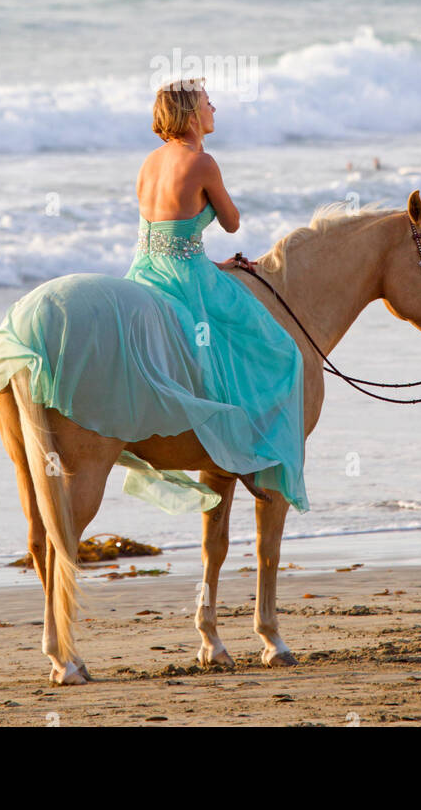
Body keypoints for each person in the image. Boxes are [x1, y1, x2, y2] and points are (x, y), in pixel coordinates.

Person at [123, 79, 308, 511]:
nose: (214, 108)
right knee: (277, 349)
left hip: (144, 271)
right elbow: (231, 223)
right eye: (208, 103)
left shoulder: (149, 161)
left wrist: (215, 263)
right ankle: (248, 454)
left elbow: (164, 234)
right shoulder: (201, 161)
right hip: (187, 278)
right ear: (192, 115)